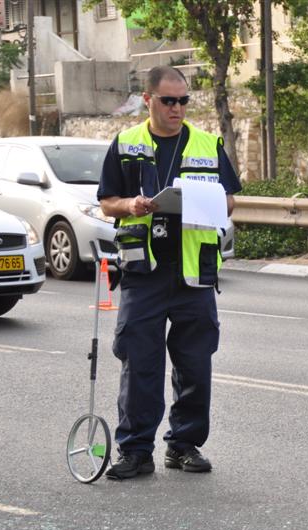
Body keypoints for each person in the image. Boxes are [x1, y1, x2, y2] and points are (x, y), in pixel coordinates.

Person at [97, 65, 242, 480]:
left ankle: (184, 445)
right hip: (144, 270)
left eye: (183, 101)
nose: (177, 108)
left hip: (193, 271)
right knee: (140, 364)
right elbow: (107, 202)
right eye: (168, 101)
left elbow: (229, 200)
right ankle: (136, 451)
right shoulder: (126, 145)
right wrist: (132, 206)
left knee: (195, 363)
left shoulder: (206, 144)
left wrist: (205, 202)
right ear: (149, 100)